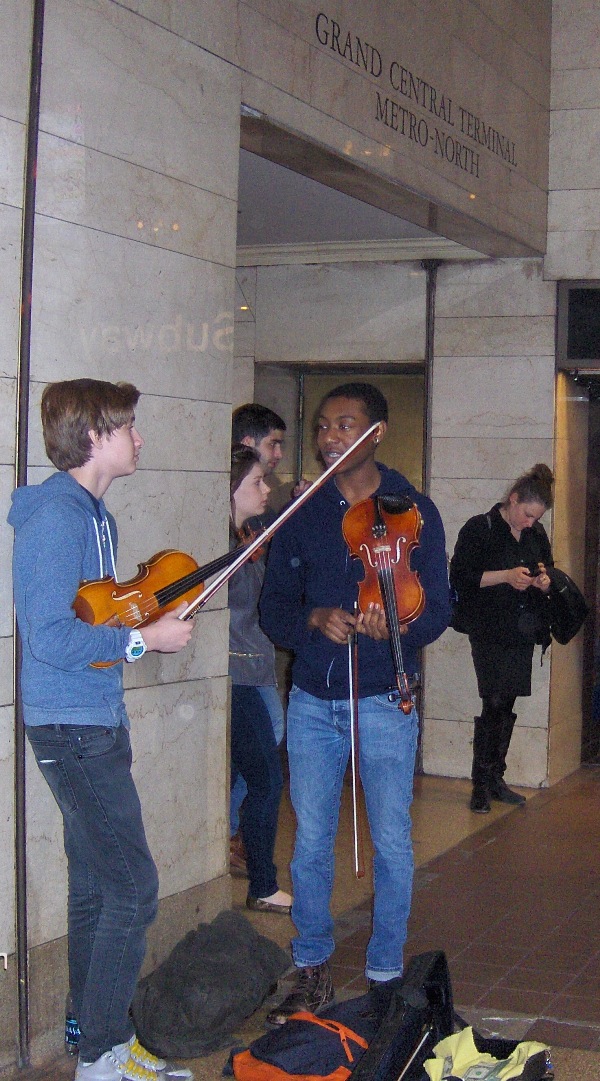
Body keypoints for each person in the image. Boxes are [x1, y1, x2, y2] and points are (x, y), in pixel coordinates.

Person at [8, 379, 194, 1081]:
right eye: (129, 428)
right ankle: (105, 1057)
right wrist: (145, 641)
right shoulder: (55, 518)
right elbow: (51, 637)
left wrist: (144, 621)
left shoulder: (97, 517)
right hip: (69, 724)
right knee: (134, 888)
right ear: (93, 436)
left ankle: (93, 1032)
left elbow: (99, 615)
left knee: (94, 884)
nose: (139, 438)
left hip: (96, 717)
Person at [259, 382, 450, 1021]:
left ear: (376, 433)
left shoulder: (414, 509)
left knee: (392, 839)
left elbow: (440, 610)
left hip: (385, 697)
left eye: (345, 425)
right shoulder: (301, 514)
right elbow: (273, 609)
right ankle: (311, 964)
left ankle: (386, 972)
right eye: (323, 427)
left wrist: (393, 624)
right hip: (314, 699)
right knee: (311, 839)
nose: (330, 437)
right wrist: (313, 619)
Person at [449, 464, 554, 815]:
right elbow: (462, 578)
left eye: (535, 518)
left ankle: (495, 778)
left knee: (507, 704)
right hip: (489, 627)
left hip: (522, 628)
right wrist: (506, 576)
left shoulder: (536, 534)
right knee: (493, 700)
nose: (529, 523)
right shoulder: (481, 528)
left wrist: (542, 581)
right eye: (526, 514)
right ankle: (481, 782)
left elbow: (548, 569)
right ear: (513, 500)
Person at [229, 443, 292, 913]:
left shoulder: (247, 541)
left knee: (254, 772)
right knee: (266, 778)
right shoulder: (228, 548)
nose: (266, 488)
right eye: (256, 482)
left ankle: (249, 866)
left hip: (253, 666)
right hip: (234, 674)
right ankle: (263, 883)